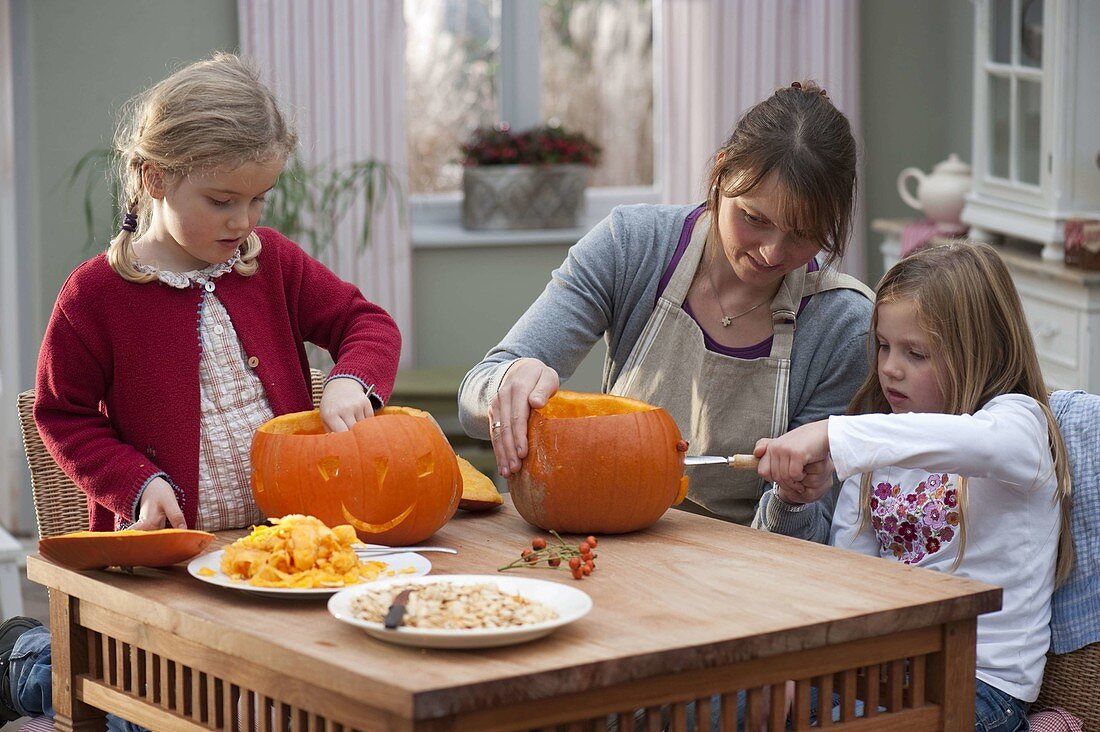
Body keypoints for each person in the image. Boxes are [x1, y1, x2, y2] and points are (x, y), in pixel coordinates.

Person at [2, 52, 401, 729]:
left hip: (274, 560)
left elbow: (367, 324)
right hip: (161, 577)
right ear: (155, 178)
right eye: (222, 201)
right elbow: (61, 413)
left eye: (257, 200)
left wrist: (348, 381)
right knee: (148, 710)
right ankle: (29, 665)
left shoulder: (272, 262)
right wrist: (137, 483)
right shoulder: (95, 296)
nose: (243, 220)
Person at [459, 81, 874, 526]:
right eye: (754, 219)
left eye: (801, 234)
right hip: (614, 537)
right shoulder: (631, 245)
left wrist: (795, 499)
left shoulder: (845, 324)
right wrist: (509, 381)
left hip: (752, 570)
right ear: (720, 174)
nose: (772, 253)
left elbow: (809, 541)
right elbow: (472, 399)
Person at [754, 242, 1073, 730]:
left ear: (979, 351)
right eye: (883, 346)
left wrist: (833, 432)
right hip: (887, 669)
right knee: (762, 701)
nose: (889, 368)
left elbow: (982, 446)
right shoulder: (878, 442)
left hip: (981, 685)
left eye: (915, 353)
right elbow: (852, 578)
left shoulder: (1017, 423)